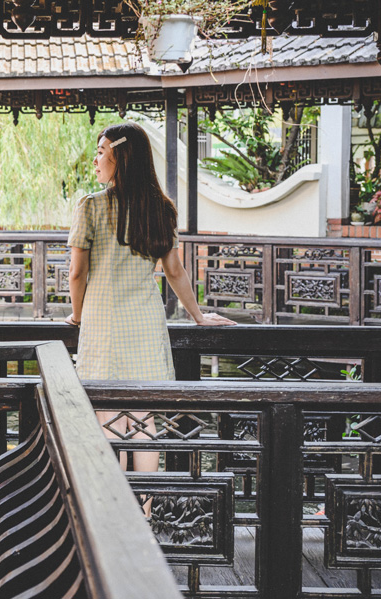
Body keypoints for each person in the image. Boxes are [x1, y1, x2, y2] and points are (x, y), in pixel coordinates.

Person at [66, 122, 235, 474]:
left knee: (107, 418)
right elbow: (174, 271)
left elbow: (77, 273)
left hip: (102, 326)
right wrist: (198, 316)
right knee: (143, 421)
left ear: (121, 157)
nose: (95, 160)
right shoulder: (162, 208)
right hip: (145, 324)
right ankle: (144, 510)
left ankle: (109, 509)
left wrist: (77, 316)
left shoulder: (91, 207)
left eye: (101, 152)